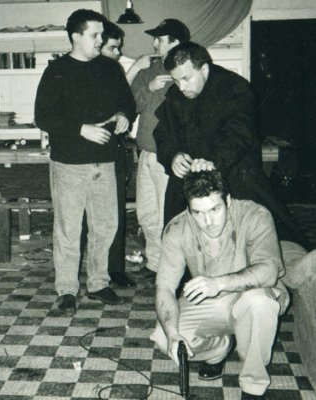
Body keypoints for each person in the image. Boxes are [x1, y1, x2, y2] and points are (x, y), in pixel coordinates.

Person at [152, 169, 303, 400]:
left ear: (228, 201)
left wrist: (219, 283)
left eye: (215, 209)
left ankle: (253, 387)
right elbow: (164, 287)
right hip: (212, 298)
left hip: (254, 293)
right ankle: (219, 348)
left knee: (258, 302)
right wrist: (173, 335)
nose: (208, 222)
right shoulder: (177, 228)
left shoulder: (255, 215)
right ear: (189, 210)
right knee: (163, 336)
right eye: (198, 213)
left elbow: (268, 271)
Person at [153, 41, 312, 251]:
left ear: (204, 69)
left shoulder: (235, 89)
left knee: (258, 240)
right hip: (189, 181)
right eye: (176, 80)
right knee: (183, 244)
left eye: (186, 78)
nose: (181, 87)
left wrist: (212, 163)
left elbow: (238, 135)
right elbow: (162, 133)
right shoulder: (176, 94)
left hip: (235, 177)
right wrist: (173, 155)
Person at [34, 9, 136, 316]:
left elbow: (127, 102)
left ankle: (98, 283)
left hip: (105, 162)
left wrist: (123, 115)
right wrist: (81, 129)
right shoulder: (56, 71)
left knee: (106, 226)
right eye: (95, 35)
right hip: (70, 164)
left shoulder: (110, 68)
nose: (100, 40)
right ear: (76, 36)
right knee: (69, 229)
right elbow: (43, 116)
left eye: (101, 35)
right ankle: (67, 289)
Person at [128, 19, 191, 282]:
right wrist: (149, 87)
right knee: (146, 213)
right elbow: (131, 105)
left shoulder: (188, 69)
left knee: (169, 214)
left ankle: (173, 268)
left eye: (160, 39)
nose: (154, 44)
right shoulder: (149, 69)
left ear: (176, 42)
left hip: (170, 157)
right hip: (145, 152)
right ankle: (154, 264)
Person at [99, 20, 135, 288]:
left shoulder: (115, 70)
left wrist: (123, 113)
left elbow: (127, 103)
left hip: (115, 153)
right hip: (86, 156)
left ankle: (116, 270)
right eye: (113, 48)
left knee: (116, 215)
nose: (118, 53)